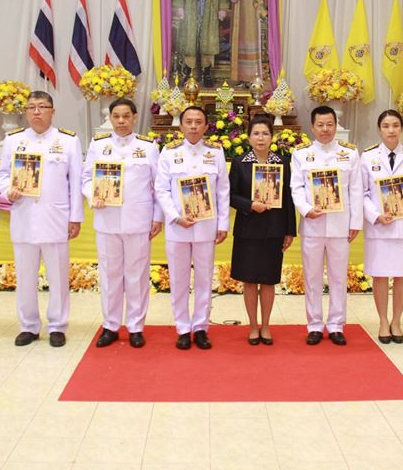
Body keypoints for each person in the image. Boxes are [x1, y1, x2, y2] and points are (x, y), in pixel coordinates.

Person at [0, 91, 83, 347]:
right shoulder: (13, 140)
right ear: (25, 111)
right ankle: (29, 325)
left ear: (52, 111)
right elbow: (2, 175)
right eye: (31, 107)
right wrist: (7, 191)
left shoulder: (67, 141)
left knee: (57, 275)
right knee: (25, 276)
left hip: (55, 217)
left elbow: (75, 181)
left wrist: (75, 217)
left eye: (42, 107)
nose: (37, 112)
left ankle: (57, 325)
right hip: (23, 217)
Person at [81, 98, 163, 349]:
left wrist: (157, 217)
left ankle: (136, 326)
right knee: (110, 274)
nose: (121, 121)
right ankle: (111, 325)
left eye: (126, 116)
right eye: (116, 116)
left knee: (137, 276)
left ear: (135, 118)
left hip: (138, 220)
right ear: (110, 118)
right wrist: (92, 194)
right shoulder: (99, 145)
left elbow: (158, 185)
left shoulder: (148, 147)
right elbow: (85, 178)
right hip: (107, 221)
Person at [155, 106, 230, 350]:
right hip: (178, 227)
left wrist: (222, 224)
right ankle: (182, 328)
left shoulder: (215, 153)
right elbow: (161, 189)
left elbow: (222, 191)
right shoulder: (169, 152)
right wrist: (175, 217)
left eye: (199, 122)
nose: (194, 126)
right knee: (178, 279)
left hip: (206, 227)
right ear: (181, 126)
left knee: (204, 278)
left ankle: (200, 327)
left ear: (207, 126)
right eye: (189, 121)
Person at [290, 106, 362, 346]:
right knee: (312, 277)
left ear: (336, 126)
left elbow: (355, 190)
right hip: (313, 223)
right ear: (312, 126)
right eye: (320, 125)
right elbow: (296, 187)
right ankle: (314, 324)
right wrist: (305, 209)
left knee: (339, 277)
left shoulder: (349, 154)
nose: (325, 129)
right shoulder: (301, 154)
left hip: (340, 225)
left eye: (329, 124)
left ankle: (336, 324)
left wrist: (355, 222)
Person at [359, 110, 403, 344]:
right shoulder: (367, 157)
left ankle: (396, 321)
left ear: (401, 129)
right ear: (379, 129)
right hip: (379, 228)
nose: (391, 130)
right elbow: (363, 194)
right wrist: (376, 216)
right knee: (379, 276)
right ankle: (382, 320)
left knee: (401, 276)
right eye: (386, 126)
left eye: (395, 125)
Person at [228, 114, 296, 345]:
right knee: (249, 280)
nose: (260, 138)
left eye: (265, 133)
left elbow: (288, 199)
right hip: (248, 229)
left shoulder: (283, 163)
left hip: (274, 229)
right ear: (248, 137)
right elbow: (230, 195)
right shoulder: (239, 162)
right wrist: (250, 205)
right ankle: (253, 326)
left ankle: (266, 325)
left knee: (268, 280)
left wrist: (289, 231)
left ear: (272, 137)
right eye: (256, 133)